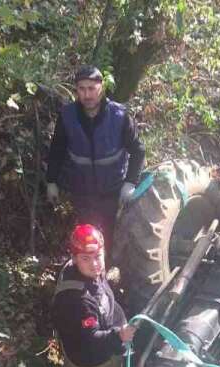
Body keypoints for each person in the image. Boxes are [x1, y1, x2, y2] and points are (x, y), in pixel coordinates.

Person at [46, 67, 146, 248]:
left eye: (91, 88)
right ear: (76, 90)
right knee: (87, 242)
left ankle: (110, 263)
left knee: (111, 239)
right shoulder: (67, 116)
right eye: (82, 89)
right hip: (81, 193)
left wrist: (130, 183)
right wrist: (51, 181)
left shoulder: (119, 116)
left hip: (113, 192)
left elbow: (138, 150)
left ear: (101, 88)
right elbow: (57, 150)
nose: (87, 95)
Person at [51, 224, 137, 367]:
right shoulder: (79, 301)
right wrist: (119, 335)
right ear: (74, 258)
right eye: (86, 259)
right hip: (96, 366)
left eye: (98, 256)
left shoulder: (85, 272)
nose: (95, 264)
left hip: (102, 333)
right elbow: (91, 339)